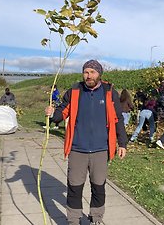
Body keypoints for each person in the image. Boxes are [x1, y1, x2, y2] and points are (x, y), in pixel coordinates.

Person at [45, 59, 127, 225]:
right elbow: (62, 112)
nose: (88, 76)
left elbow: (118, 120)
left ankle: (96, 218)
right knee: (74, 188)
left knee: (98, 187)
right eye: (86, 72)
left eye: (92, 72)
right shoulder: (75, 91)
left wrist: (122, 143)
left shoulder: (109, 92)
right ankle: (74, 220)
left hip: (101, 149)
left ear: (99, 74)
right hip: (77, 149)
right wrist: (52, 113)